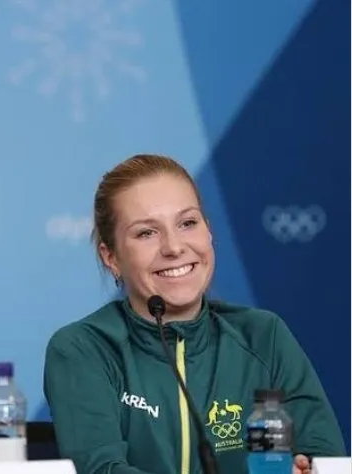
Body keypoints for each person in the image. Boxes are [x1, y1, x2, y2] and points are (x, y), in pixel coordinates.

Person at [43, 154, 346, 474]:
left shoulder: (264, 336)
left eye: (187, 223)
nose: (174, 247)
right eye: (146, 233)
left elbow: (322, 459)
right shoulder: (83, 349)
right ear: (111, 257)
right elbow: (101, 469)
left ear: (208, 232)